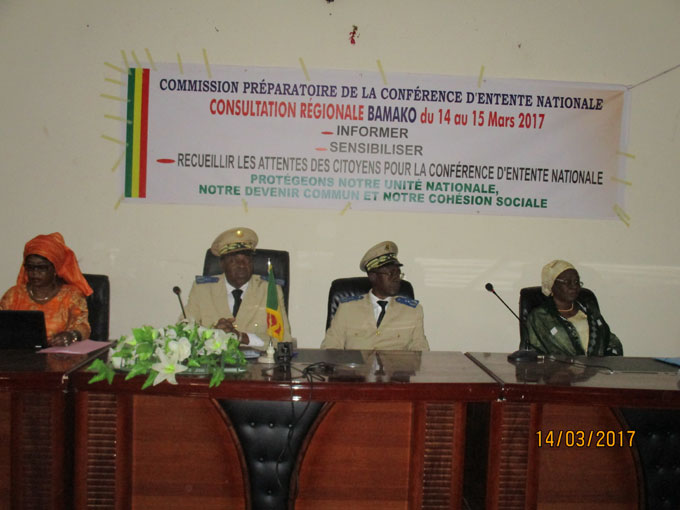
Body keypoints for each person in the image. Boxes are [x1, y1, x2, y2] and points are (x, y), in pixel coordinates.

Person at [184, 227, 291, 347]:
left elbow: (283, 340)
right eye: (233, 261)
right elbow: (183, 334)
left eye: (246, 260)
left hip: (258, 363)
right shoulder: (202, 290)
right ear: (222, 264)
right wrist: (212, 334)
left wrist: (242, 337)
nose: (241, 265)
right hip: (214, 363)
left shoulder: (269, 290)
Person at [322, 241, 429, 351]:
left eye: (398, 273)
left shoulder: (413, 311)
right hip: (357, 368)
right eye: (390, 273)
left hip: (396, 368)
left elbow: (421, 352)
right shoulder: (347, 308)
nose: (396, 278)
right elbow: (330, 348)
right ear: (373, 276)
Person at [0, 233, 92, 346]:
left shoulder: (71, 295)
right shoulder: (13, 295)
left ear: (55, 269)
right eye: (30, 267)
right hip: (18, 356)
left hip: (59, 357)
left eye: (41, 267)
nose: (35, 272)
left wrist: (71, 335)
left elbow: (83, 326)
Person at [526, 260, 623, 356]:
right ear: (552, 285)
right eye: (567, 282)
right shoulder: (539, 317)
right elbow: (533, 353)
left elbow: (611, 341)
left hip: (597, 369)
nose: (574, 286)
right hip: (557, 370)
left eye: (576, 281)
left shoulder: (589, 309)